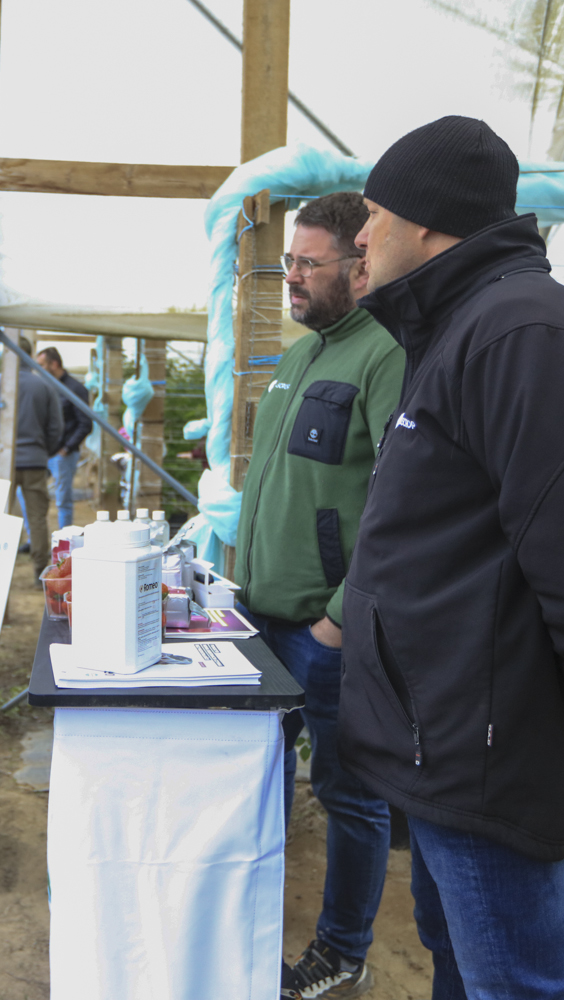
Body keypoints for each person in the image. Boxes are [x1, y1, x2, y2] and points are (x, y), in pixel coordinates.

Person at [339, 116, 564, 999]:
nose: (361, 235)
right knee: (460, 956)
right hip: (445, 732)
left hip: (481, 743)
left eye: (374, 214)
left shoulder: (525, 333)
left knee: (516, 983)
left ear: (427, 222)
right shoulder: (459, 329)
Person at [234, 193, 403, 998]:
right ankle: (244, 929)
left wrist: (340, 618)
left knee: (350, 795)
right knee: (255, 777)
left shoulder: (385, 355)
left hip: (324, 631)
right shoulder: (299, 358)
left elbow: (402, 502)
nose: (292, 278)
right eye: (287, 263)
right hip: (262, 619)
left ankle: (342, 951)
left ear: (359, 265)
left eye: (308, 263)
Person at [0, 337, 63, 579]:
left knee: (1, 515)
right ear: (29, 356)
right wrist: (44, 451)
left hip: (1, 462)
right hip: (34, 461)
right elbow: (56, 427)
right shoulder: (44, 386)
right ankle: (40, 570)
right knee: (37, 517)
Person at [36, 346, 90, 529]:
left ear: (54, 364)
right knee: (31, 497)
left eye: (42, 365)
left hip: (62, 455)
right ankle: (34, 539)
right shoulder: (44, 386)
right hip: (42, 452)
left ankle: (64, 539)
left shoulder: (75, 388)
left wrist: (66, 449)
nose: (38, 369)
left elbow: (85, 424)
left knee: (62, 501)